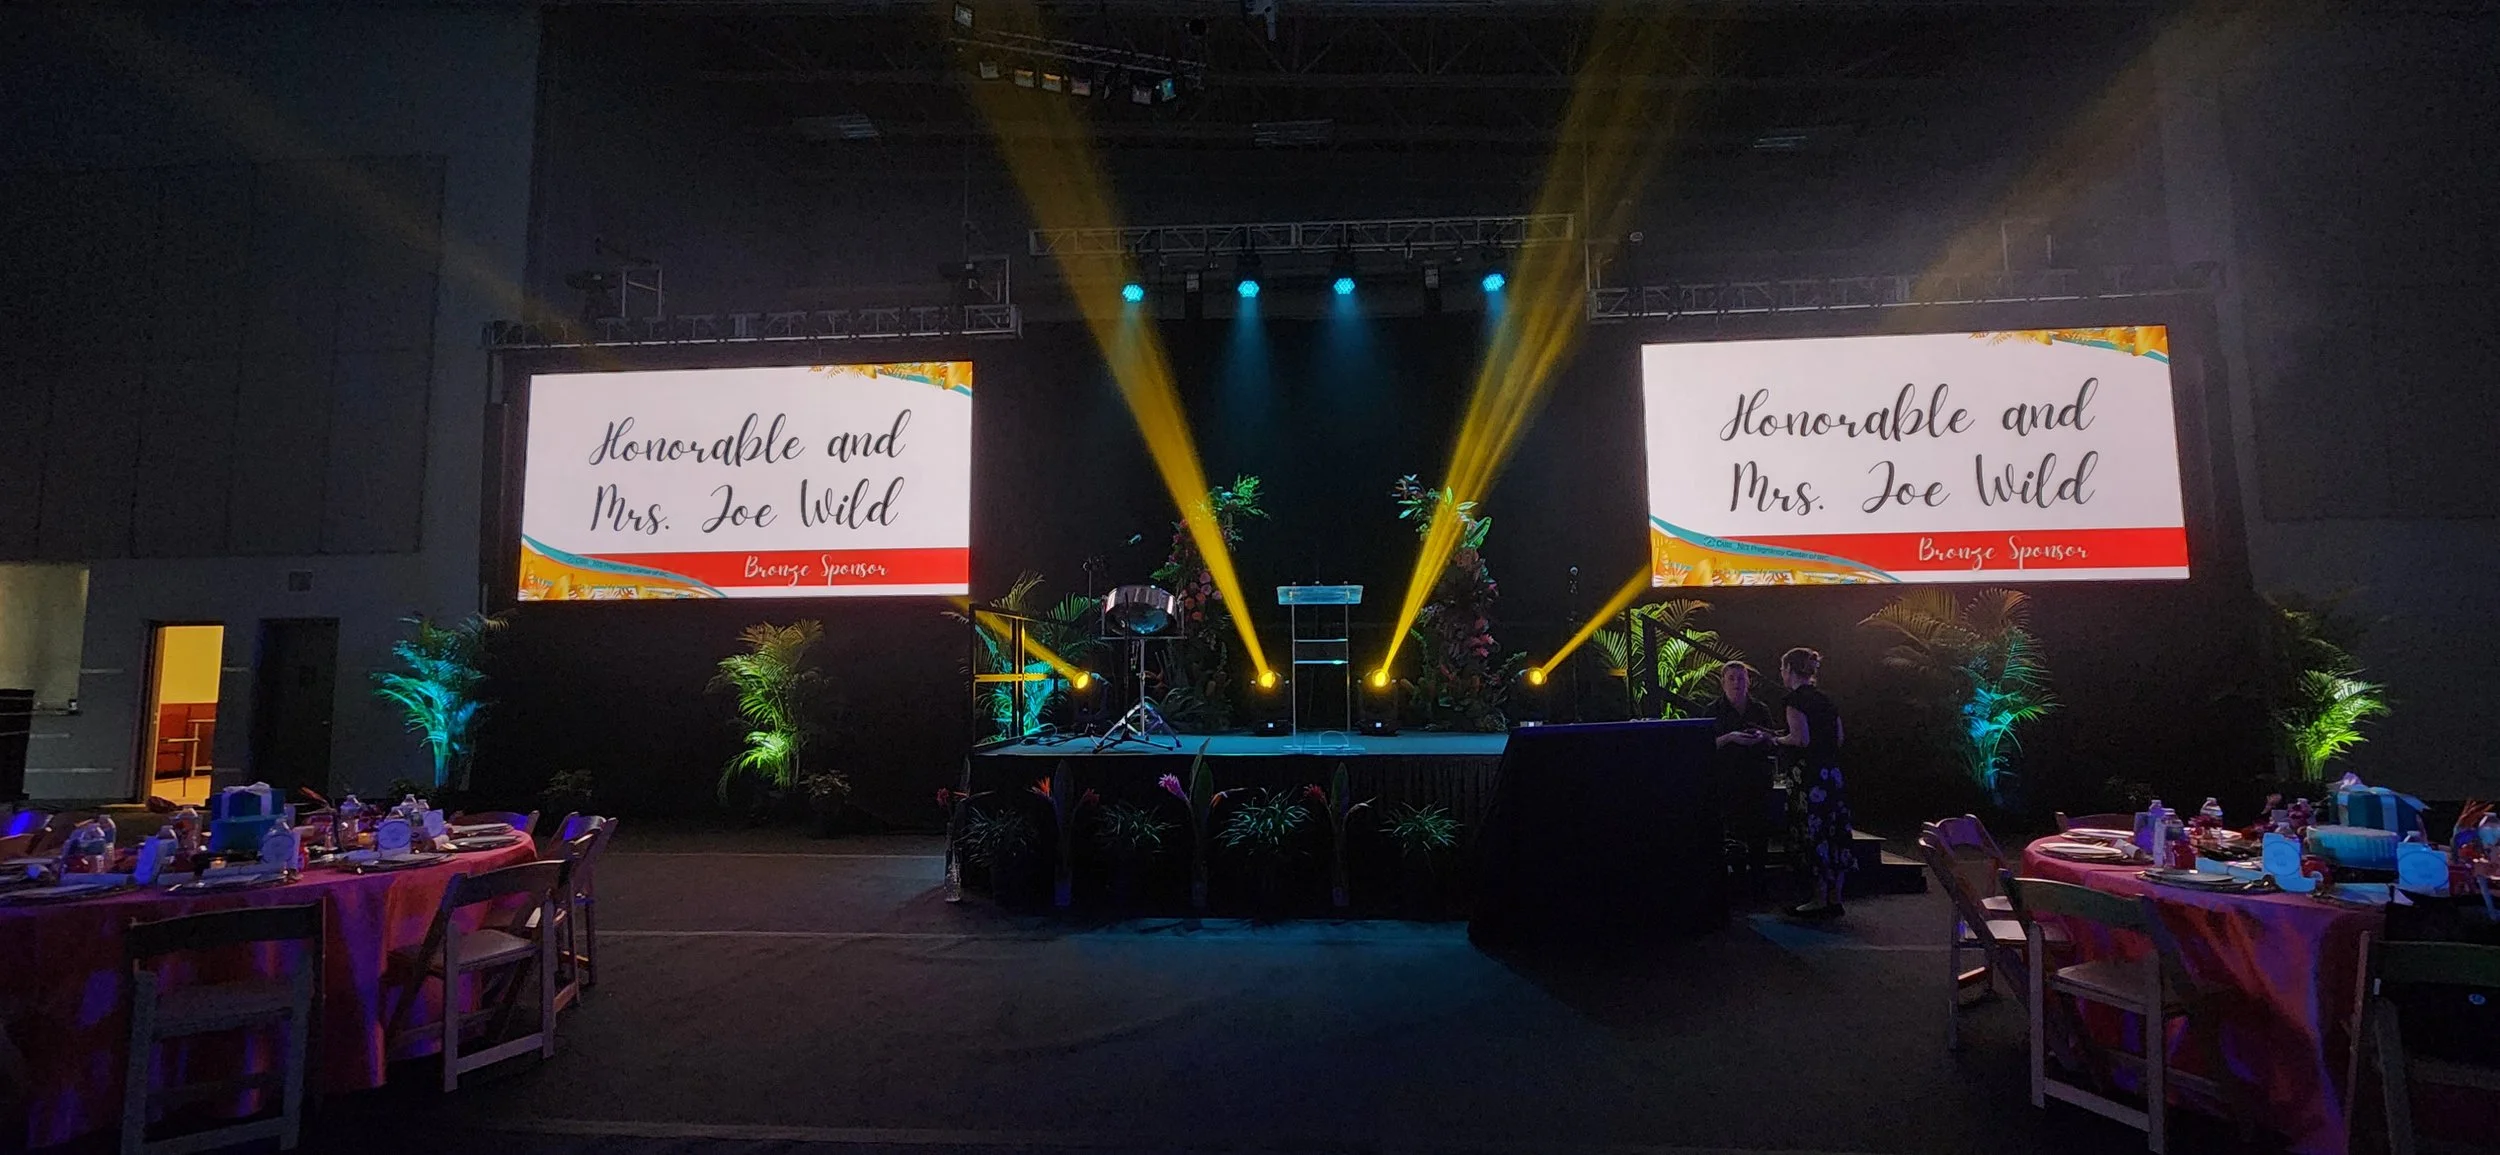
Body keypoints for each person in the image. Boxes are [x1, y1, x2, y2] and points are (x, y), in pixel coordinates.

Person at [1773, 646, 1850, 919]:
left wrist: (1774, 739)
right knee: (1834, 833)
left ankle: (1817, 898)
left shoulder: (1794, 701)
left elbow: (1800, 738)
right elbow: (1838, 737)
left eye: (1783, 668)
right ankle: (1835, 896)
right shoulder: (1827, 700)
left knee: (1812, 833)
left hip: (1808, 777)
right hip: (1832, 773)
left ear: (1791, 670)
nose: (1781, 673)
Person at [1709, 662, 1780, 875]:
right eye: (1731, 678)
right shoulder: (1713, 710)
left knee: (1759, 830)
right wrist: (1730, 737)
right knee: (1733, 831)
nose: (1736, 683)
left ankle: (1759, 877)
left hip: (1756, 778)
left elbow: (1773, 739)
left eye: (1741, 678)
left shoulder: (1760, 709)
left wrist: (1761, 737)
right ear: (1723, 683)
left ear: (1748, 682)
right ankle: (1738, 876)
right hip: (1727, 779)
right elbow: (1706, 745)